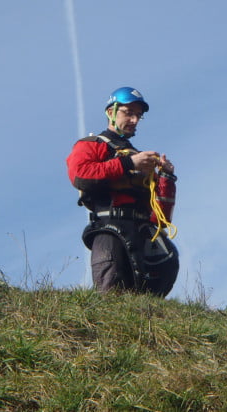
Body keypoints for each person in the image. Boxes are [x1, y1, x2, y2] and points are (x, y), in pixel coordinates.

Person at [66, 87, 179, 296]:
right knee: (111, 293)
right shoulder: (91, 145)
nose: (135, 120)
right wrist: (128, 162)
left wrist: (167, 178)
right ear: (111, 112)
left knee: (151, 295)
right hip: (109, 230)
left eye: (138, 115)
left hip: (143, 233)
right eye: (129, 113)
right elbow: (80, 176)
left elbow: (160, 218)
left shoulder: (141, 159)